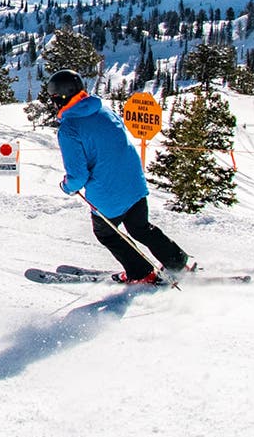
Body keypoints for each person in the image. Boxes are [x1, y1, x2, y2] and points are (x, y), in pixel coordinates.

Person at [46, 70, 190, 285]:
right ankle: (177, 262)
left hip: (108, 195)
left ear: (60, 98)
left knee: (108, 234)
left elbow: (78, 177)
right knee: (140, 228)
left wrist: (66, 186)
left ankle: (141, 273)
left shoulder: (69, 129)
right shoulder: (104, 110)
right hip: (134, 184)